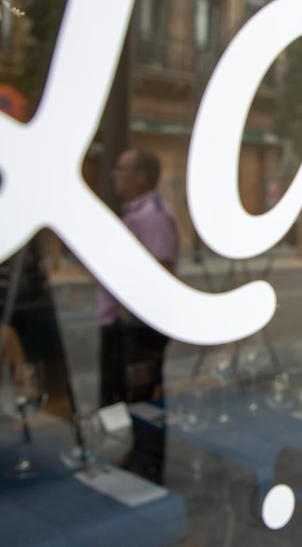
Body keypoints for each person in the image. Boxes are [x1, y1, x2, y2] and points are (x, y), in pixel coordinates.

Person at [97, 149, 178, 480]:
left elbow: (163, 268)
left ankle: (148, 462)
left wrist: (131, 315)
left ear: (141, 176)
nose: (115, 175)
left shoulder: (153, 216)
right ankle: (132, 454)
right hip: (120, 321)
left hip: (137, 326)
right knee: (122, 394)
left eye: (122, 169)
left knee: (142, 395)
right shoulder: (134, 213)